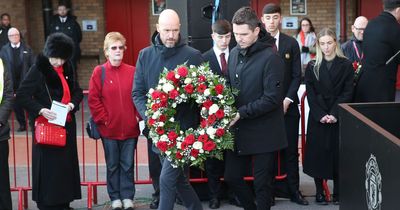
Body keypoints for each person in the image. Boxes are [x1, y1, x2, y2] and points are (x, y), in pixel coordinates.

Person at [132, 9, 204, 210]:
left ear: (180, 29)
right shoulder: (145, 56)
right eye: (166, 31)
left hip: (184, 134)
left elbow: (203, 95)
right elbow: (137, 92)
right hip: (158, 132)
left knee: (166, 180)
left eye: (174, 30)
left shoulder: (193, 56)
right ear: (157, 29)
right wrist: (150, 116)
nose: (171, 35)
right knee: (180, 181)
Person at [225, 7, 287, 210]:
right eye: (236, 34)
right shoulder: (233, 53)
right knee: (231, 177)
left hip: (265, 131)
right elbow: (232, 87)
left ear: (256, 31)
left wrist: (241, 113)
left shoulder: (272, 58)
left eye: (244, 34)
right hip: (240, 129)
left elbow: (272, 98)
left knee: (262, 185)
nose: (239, 38)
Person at [16, 33, 83, 210]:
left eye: (62, 58)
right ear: (48, 53)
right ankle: (48, 204)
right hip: (46, 128)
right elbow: (22, 95)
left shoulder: (67, 68)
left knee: (65, 168)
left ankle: (64, 202)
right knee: (49, 170)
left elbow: (77, 91)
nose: (59, 62)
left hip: (65, 125)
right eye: (55, 58)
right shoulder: (39, 69)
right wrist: (40, 110)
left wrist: (71, 105)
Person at [261, 3, 308, 206]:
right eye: (267, 18)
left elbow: (297, 75)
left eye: (274, 17)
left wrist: (288, 100)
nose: (271, 22)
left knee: (290, 152)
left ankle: (293, 190)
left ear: (280, 18)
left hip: (288, 108)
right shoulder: (258, 43)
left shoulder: (290, 43)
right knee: (268, 153)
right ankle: (268, 192)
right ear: (262, 20)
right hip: (266, 109)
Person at [88, 32, 140, 210]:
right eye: (113, 48)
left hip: (130, 129)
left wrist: (137, 117)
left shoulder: (133, 71)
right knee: (112, 165)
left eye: (120, 47)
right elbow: (93, 99)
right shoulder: (99, 72)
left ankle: (127, 197)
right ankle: (115, 197)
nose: (117, 51)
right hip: (109, 130)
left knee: (127, 165)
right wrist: (104, 120)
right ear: (107, 51)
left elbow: (138, 96)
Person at [303, 27, 354, 205]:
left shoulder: (346, 64)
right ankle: (319, 192)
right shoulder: (312, 66)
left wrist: (334, 114)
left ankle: (339, 192)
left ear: (335, 43)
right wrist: (322, 115)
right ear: (318, 44)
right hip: (319, 117)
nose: (326, 47)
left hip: (337, 115)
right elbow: (311, 92)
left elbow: (347, 92)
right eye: (322, 43)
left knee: (338, 155)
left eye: (329, 43)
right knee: (318, 155)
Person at [202, 19, 231, 209]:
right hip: (211, 118)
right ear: (213, 36)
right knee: (212, 160)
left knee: (233, 158)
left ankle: (233, 193)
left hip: (235, 116)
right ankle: (214, 196)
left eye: (228, 37)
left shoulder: (237, 55)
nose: (225, 41)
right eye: (220, 37)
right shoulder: (204, 58)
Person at [354, 0, 400, 102]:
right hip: (382, 87)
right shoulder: (395, 29)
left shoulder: (370, 24)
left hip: (363, 81)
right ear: (398, 10)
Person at [0, 27, 34, 132]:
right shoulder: (4, 49)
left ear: (19, 36)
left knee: (29, 104)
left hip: (25, 81)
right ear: (8, 37)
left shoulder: (27, 48)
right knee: (16, 105)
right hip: (11, 82)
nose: (14, 37)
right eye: (11, 35)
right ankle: (22, 124)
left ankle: (32, 123)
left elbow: (33, 64)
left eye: (16, 35)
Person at [49, 2, 82, 70]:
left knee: (72, 70)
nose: (62, 11)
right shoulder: (53, 23)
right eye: (60, 10)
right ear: (57, 11)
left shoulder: (73, 22)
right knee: (59, 71)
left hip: (71, 52)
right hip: (58, 53)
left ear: (67, 10)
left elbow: (79, 37)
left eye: (64, 9)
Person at [0, 57, 14, 210]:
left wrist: (0, 120)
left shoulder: (1, 65)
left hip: (0, 133)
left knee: (2, 180)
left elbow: (8, 95)